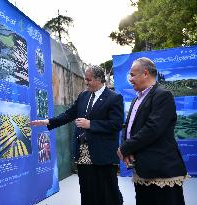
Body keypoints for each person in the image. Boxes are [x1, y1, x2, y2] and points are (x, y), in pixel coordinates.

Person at [31, 65, 124, 205]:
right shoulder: (83, 96)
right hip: (83, 152)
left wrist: (90, 124)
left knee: (107, 190)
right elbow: (69, 114)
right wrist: (48, 121)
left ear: (99, 80)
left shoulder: (114, 98)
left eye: (89, 79)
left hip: (103, 153)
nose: (86, 82)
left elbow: (116, 124)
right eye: (86, 79)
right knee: (87, 190)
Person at [117, 57, 188, 205]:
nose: (130, 79)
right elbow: (129, 126)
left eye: (132, 74)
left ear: (145, 73)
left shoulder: (163, 95)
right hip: (143, 169)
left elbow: (153, 128)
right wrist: (127, 147)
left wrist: (125, 147)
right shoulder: (137, 99)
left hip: (161, 170)